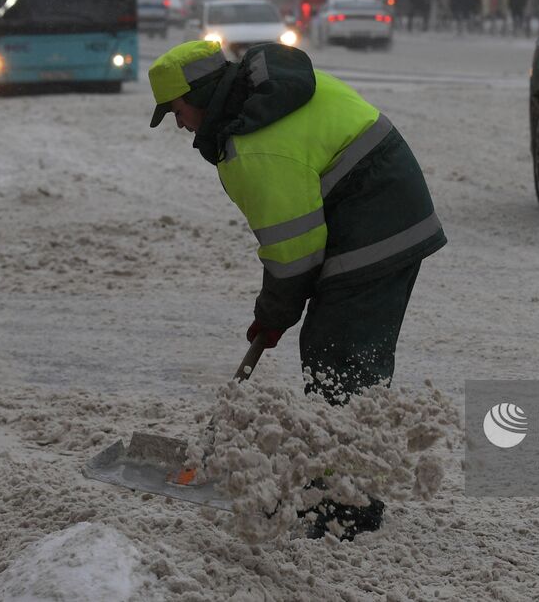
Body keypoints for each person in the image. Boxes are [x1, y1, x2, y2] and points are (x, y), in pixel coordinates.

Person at [148, 39, 446, 538]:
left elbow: (294, 253)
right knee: (336, 353)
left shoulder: (253, 142)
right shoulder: (266, 93)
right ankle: (342, 487)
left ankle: (350, 507)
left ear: (199, 95)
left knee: (339, 358)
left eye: (177, 111)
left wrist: (273, 313)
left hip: (377, 220)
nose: (180, 125)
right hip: (378, 207)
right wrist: (278, 311)